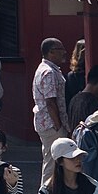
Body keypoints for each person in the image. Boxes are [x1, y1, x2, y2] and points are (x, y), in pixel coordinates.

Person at [35, 37, 71, 185]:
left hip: (48, 122)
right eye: (60, 49)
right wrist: (59, 126)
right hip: (51, 124)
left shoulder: (46, 69)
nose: (64, 52)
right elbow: (50, 101)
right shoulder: (48, 72)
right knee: (52, 162)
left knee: (54, 161)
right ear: (50, 52)